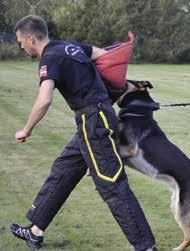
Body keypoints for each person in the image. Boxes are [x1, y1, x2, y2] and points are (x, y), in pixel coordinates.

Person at [10, 15, 157, 251]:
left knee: (112, 185)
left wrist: (26, 129)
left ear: (30, 38)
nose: (21, 46)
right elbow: (103, 56)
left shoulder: (50, 57)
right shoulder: (68, 46)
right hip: (94, 119)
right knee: (64, 169)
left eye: (20, 42)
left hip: (94, 122)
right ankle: (35, 230)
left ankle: (146, 247)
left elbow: (44, 99)